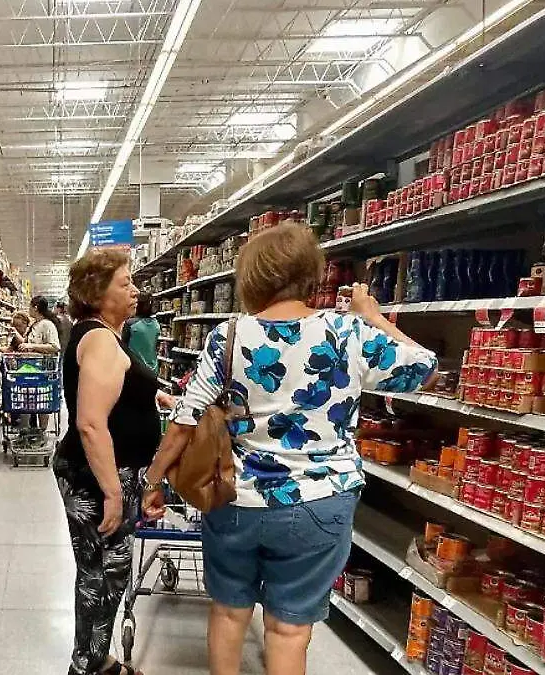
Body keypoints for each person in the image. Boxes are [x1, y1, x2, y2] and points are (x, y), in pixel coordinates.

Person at [141, 224, 437, 675]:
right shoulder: (349, 331)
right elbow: (425, 369)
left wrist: (154, 480)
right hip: (322, 501)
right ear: (310, 274)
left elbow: (185, 420)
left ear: (252, 276)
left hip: (238, 499)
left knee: (227, 612)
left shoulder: (230, 336)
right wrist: (373, 317)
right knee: (288, 630)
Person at [56, 248, 175, 675]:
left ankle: (94, 659)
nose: (135, 290)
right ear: (96, 292)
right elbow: (90, 422)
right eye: (124, 283)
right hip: (97, 476)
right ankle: (87, 667)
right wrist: (110, 491)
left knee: (107, 570)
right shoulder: (101, 338)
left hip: (104, 472)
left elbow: (117, 388)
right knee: (102, 574)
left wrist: (153, 395)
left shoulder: (105, 335)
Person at [123, 292, 161, 372]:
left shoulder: (131, 324)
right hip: (153, 368)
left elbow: (123, 347)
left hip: (135, 369)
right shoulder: (156, 324)